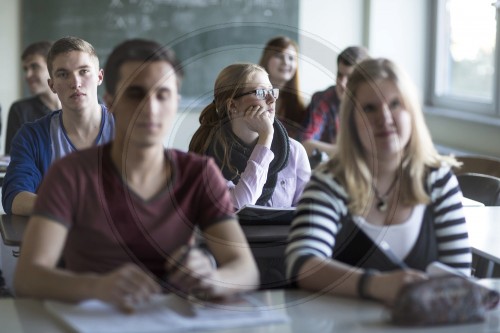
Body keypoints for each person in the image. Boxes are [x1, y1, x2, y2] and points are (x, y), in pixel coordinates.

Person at [14, 39, 259, 310]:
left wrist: (212, 278)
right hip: (97, 319)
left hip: (174, 319)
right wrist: (97, 287)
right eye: (134, 94)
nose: (150, 108)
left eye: (162, 95)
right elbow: (28, 276)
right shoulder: (70, 175)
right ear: (111, 101)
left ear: (176, 101)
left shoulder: (199, 174)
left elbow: (245, 269)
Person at [285, 58, 472, 305]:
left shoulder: (438, 180)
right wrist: (377, 285)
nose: (384, 118)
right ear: (351, 120)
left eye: (395, 104)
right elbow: (301, 264)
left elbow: (459, 276)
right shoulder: (329, 182)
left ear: (411, 113)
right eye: (369, 108)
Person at [2, 36, 114, 216]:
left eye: (84, 71)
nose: (75, 83)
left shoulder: (130, 129)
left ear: (99, 77)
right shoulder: (31, 136)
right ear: (52, 85)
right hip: (56, 240)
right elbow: (14, 197)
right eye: (63, 74)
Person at [189, 63, 311, 210]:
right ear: (232, 106)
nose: (272, 99)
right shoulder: (209, 154)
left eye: (272, 91)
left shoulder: (295, 151)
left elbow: (308, 213)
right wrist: (266, 138)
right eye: (260, 92)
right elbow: (238, 207)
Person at [301, 46, 370, 160]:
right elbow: (305, 144)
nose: (342, 83)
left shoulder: (374, 104)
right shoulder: (324, 99)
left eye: (350, 77)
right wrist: (349, 152)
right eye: (340, 75)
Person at [5, 41, 62, 154]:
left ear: (53, 67)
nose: (27, 75)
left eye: (34, 66)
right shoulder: (20, 110)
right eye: (25, 69)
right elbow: (11, 159)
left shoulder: (82, 106)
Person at [259, 36, 306, 141]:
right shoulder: (252, 97)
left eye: (291, 58)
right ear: (266, 59)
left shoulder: (302, 107)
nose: (286, 62)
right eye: (279, 56)